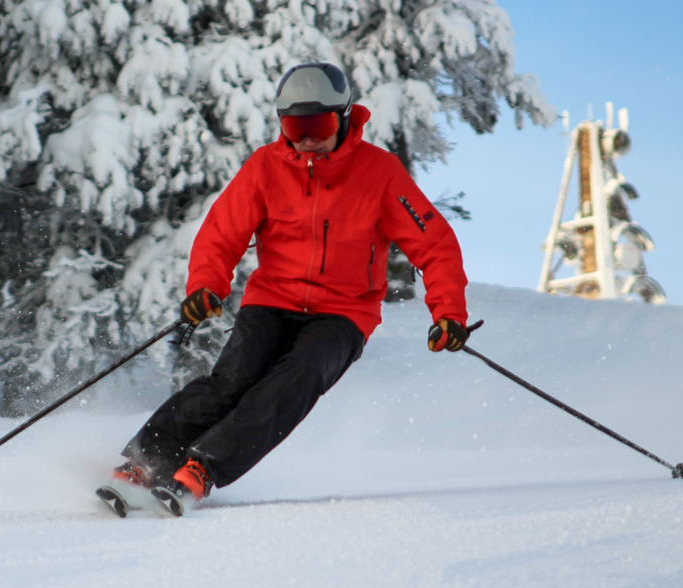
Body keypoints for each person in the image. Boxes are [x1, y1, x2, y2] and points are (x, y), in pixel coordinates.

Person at [104, 63, 468, 517]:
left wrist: (448, 312)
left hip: (344, 311)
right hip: (273, 297)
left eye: (319, 124)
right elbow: (221, 233)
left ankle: (202, 468)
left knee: (296, 379)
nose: (307, 137)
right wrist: (205, 287)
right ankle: (144, 464)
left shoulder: (380, 173)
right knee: (231, 381)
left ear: (345, 117)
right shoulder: (266, 167)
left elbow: (433, 244)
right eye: (296, 125)